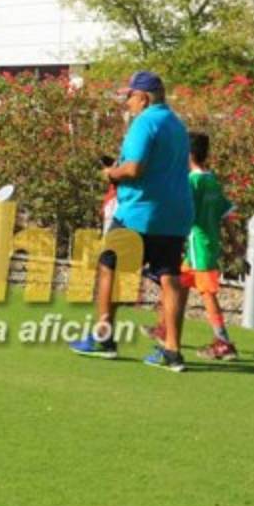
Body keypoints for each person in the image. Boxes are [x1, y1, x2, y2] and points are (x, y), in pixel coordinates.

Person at [70, 71, 194, 372]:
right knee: (169, 277)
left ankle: (104, 338)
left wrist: (111, 173)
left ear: (144, 97)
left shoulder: (145, 122)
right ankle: (172, 351)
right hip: (175, 213)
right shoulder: (177, 124)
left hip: (139, 213)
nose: (127, 102)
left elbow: (135, 168)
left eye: (130, 96)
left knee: (108, 268)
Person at [153, 131, 238, 361]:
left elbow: (182, 210)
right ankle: (164, 327)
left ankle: (224, 342)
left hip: (199, 246)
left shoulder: (192, 182)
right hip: (204, 245)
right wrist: (236, 246)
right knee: (177, 284)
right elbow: (225, 214)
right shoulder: (211, 180)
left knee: (207, 293)